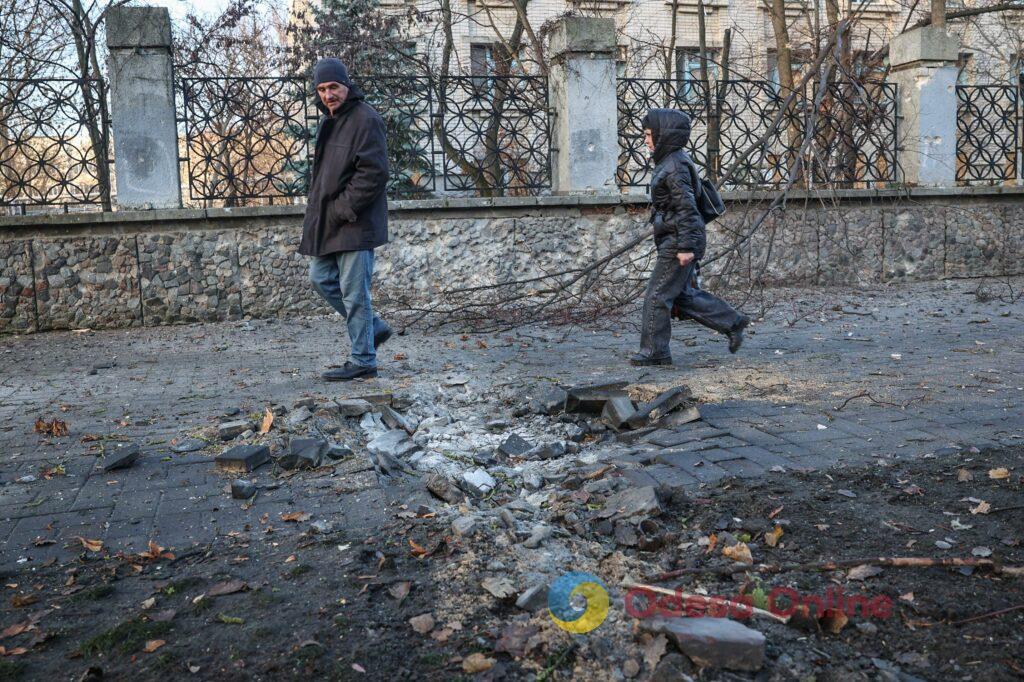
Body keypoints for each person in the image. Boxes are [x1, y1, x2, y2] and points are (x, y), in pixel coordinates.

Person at [631, 108, 750, 367]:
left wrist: (685, 247)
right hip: (675, 238)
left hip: (678, 241)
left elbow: (687, 209)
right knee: (682, 297)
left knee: (657, 296)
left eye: (649, 134)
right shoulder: (671, 161)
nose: (646, 139)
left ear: (665, 134)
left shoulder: (674, 166)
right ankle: (733, 322)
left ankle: (655, 352)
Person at [300, 57, 393, 381]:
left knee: (355, 294)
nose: (328, 94)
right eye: (322, 89)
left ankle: (363, 359)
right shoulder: (331, 120)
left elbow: (375, 172)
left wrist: (342, 209)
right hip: (331, 224)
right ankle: (374, 328)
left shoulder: (365, 119)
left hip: (355, 222)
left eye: (333, 87)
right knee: (321, 278)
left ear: (346, 85)